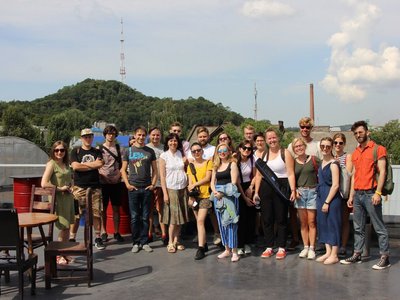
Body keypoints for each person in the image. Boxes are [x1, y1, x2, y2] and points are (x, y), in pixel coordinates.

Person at [340, 121, 391, 270]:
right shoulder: (356, 152)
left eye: (360, 132)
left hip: (371, 193)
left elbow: (382, 172)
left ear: (367, 132)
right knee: (358, 227)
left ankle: (385, 257)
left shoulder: (378, 149)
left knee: (379, 227)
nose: (358, 135)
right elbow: (355, 175)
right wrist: (351, 196)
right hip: (358, 195)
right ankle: (357, 254)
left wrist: (378, 192)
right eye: (356, 133)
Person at [254, 128, 296, 260]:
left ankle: (282, 246)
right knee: (266, 218)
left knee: (281, 218)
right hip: (266, 188)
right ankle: (269, 246)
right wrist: (256, 192)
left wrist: (293, 190)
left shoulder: (285, 153)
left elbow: (290, 173)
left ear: (278, 138)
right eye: (269, 138)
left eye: (274, 137)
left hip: (281, 187)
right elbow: (259, 175)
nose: (272, 140)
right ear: (266, 141)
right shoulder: (263, 155)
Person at [121, 126, 157, 254]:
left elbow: (155, 171)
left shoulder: (150, 151)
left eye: (143, 135)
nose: (141, 137)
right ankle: (136, 242)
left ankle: (145, 241)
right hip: (133, 188)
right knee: (135, 217)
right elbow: (123, 170)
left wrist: (153, 184)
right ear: (134, 135)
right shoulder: (128, 151)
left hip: (147, 188)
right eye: (139, 135)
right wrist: (127, 184)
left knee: (145, 217)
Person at [287, 117, 321, 250]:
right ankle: (298, 240)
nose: (304, 129)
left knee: (312, 220)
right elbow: (290, 169)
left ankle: (314, 244)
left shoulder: (317, 145)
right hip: (298, 188)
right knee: (299, 219)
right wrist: (293, 189)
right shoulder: (292, 145)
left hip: (313, 188)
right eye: (302, 127)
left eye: (307, 127)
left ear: (311, 128)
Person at [70, 128, 105, 250]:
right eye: (85, 137)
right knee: (76, 214)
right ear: (81, 138)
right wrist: (92, 166)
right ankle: (72, 237)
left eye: (90, 136)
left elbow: (100, 164)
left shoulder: (97, 151)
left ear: (92, 137)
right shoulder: (75, 151)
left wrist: (83, 166)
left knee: (97, 213)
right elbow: (75, 167)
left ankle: (98, 237)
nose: (88, 139)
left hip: (95, 187)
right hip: (79, 187)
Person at [41, 141, 75, 265]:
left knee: (66, 228)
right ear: (53, 151)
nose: (59, 152)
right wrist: (60, 188)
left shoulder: (66, 164)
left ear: (65, 151)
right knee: (63, 227)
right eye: (57, 150)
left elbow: (69, 179)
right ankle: (59, 254)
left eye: (62, 150)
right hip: (58, 199)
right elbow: (44, 183)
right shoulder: (52, 164)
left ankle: (64, 253)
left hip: (68, 198)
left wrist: (70, 186)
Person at [210, 143, 240, 262]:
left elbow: (233, 183)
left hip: (229, 197)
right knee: (221, 223)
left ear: (228, 151)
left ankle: (234, 251)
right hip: (218, 197)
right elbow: (212, 182)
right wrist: (215, 192)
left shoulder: (232, 164)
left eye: (224, 150)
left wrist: (222, 193)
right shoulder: (215, 166)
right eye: (219, 150)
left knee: (231, 223)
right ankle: (226, 249)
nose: (222, 152)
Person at [160, 133, 189, 253]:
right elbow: (162, 177)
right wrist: (165, 193)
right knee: (173, 218)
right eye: (171, 141)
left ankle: (177, 240)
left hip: (182, 188)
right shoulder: (163, 156)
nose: (173, 143)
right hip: (171, 188)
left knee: (180, 217)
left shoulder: (180, 154)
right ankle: (170, 241)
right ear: (167, 143)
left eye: (175, 141)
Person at [315, 137, 342, 265]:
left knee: (333, 224)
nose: (325, 148)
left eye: (327, 146)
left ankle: (334, 254)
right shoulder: (321, 162)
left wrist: (327, 202)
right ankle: (328, 251)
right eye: (322, 146)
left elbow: (336, 185)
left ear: (331, 148)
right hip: (321, 195)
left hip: (331, 197)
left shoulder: (333, 164)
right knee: (323, 223)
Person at [292, 137, 320, 260]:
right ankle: (305, 247)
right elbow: (290, 177)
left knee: (312, 222)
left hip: (312, 192)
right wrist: (294, 190)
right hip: (300, 193)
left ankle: (312, 248)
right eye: (296, 147)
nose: (299, 148)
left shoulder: (314, 159)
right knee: (303, 223)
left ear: (304, 146)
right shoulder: (293, 162)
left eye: (300, 146)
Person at [187, 142, 213, 260]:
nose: (196, 152)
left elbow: (208, 178)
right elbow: (190, 182)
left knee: (201, 221)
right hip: (195, 197)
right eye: (194, 151)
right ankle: (205, 243)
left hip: (205, 195)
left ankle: (201, 248)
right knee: (198, 221)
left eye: (198, 150)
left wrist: (195, 185)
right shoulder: (190, 166)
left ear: (202, 151)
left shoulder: (208, 162)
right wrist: (190, 196)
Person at [99, 125, 124, 243]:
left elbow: (124, 164)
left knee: (116, 208)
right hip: (103, 182)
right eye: (109, 133)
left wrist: (119, 175)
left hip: (116, 182)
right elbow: (97, 164)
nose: (111, 135)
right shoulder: (99, 149)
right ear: (105, 135)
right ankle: (104, 232)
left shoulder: (120, 148)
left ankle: (116, 231)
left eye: (113, 134)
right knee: (102, 209)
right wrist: (102, 176)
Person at [146, 127, 168, 245]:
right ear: (149, 135)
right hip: (148, 183)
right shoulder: (146, 148)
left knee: (161, 210)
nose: (155, 137)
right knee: (149, 210)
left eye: (158, 135)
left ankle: (164, 234)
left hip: (162, 183)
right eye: (153, 135)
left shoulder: (164, 148)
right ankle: (149, 233)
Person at [332, 133, 353, 256]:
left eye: (340, 143)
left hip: (343, 193)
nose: (338, 145)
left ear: (344, 144)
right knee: (334, 220)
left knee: (344, 221)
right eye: (336, 142)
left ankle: (343, 246)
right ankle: (334, 244)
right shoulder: (330, 155)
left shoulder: (347, 157)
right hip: (332, 194)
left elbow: (348, 174)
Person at [236, 140, 256, 255]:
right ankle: (240, 244)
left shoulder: (252, 159)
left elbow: (255, 174)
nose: (247, 150)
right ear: (240, 148)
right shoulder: (235, 161)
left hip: (249, 187)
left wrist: (251, 188)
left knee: (250, 217)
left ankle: (248, 242)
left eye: (249, 149)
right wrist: (244, 197)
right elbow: (237, 181)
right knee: (240, 217)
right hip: (239, 189)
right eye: (244, 148)